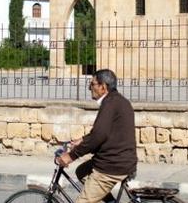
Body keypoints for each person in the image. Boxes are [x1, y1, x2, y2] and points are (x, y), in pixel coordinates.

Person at [55, 69, 137, 203]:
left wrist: (71, 156)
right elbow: (103, 132)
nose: (89, 88)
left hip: (111, 166)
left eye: (92, 84)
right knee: (82, 172)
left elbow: (99, 135)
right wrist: (82, 140)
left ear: (103, 87)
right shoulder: (119, 101)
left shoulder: (110, 104)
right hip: (120, 159)